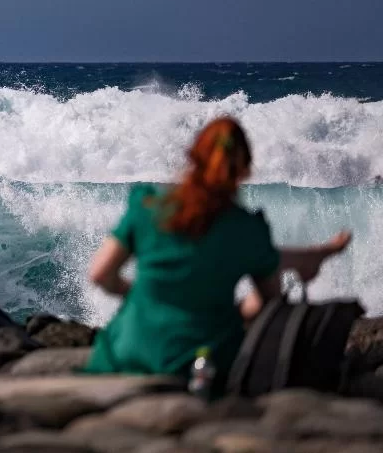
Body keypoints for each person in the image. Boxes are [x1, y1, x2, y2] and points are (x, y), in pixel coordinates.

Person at [85, 116, 351, 397]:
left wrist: (144, 296)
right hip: (199, 360)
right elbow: (268, 304)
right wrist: (232, 311)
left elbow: (100, 275)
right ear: (245, 170)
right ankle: (311, 258)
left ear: (193, 157)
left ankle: (310, 257)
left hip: (127, 352)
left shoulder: (148, 206)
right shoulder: (246, 229)